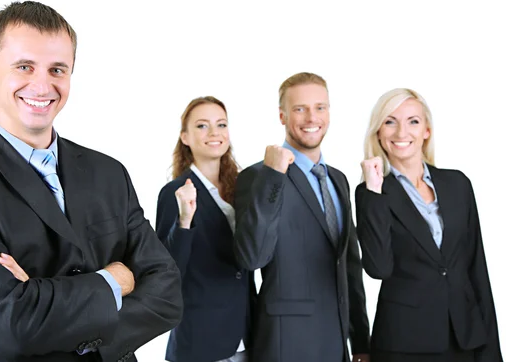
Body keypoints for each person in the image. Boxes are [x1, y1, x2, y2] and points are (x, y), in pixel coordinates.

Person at [0, 1, 182, 362]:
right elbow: (10, 325)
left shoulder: (109, 172)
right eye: (24, 66)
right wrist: (115, 280)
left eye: (57, 69)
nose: (42, 84)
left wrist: (40, 295)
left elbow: (167, 294)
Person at [356, 88, 503, 362]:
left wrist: (491, 350)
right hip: (405, 343)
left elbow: (477, 270)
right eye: (390, 121)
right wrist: (373, 189)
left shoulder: (458, 184)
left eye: (413, 121)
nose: (402, 132)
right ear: (378, 132)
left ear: (426, 131)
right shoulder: (372, 193)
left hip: (465, 338)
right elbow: (378, 268)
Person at [233, 72, 370, 362]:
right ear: (282, 116)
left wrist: (360, 341)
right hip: (287, 345)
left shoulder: (338, 180)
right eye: (300, 109)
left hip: (336, 344)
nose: (312, 117)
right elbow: (252, 257)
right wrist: (273, 176)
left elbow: (349, 265)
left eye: (320, 107)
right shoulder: (258, 176)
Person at [155, 96, 254, 362]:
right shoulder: (174, 193)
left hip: (247, 335)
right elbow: (166, 271)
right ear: (185, 137)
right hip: (201, 340)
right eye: (202, 126)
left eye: (221, 124)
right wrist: (185, 220)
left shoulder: (241, 189)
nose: (214, 133)